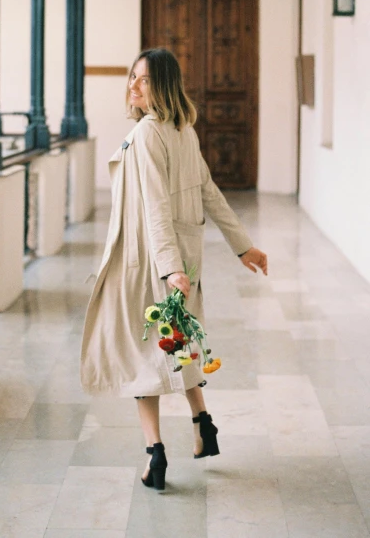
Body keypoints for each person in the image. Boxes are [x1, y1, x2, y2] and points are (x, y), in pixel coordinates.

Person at [80, 48, 268, 492]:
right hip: (181, 256)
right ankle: (203, 423)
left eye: (142, 80)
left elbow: (156, 208)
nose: (132, 86)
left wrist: (167, 270)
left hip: (148, 260)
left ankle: (155, 454)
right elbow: (211, 193)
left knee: (140, 356)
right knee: (176, 346)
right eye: (131, 77)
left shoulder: (149, 133)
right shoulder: (183, 131)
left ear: (161, 86)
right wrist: (243, 246)